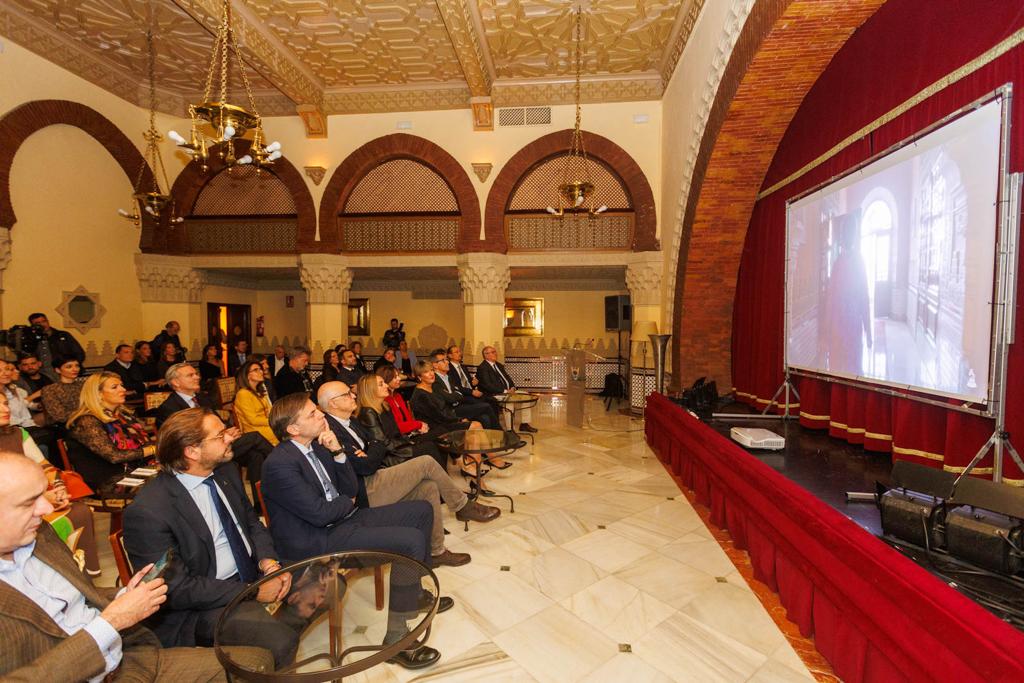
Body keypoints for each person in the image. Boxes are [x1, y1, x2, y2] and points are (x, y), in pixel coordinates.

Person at [0, 451, 273, 680]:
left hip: (125, 660)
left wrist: (123, 596)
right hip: (87, 669)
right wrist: (111, 622)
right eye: (28, 502)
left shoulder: (40, 535)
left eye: (42, 495)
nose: (46, 509)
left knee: (256, 662)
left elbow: (77, 598)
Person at [260, 393, 442, 670]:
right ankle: (396, 638)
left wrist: (337, 451)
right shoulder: (279, 464)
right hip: (317, 540)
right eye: (312, 414)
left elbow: (351, 488)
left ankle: (412, 591)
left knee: (420, 510)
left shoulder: (319, 446)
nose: (321, 415)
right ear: (292, 429)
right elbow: (320, 514)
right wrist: (347, 503)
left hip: (341, 521)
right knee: (410, 541)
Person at [122, 408, 298, 667]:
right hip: (202, 604)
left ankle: (265, 651)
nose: (230, 438)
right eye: (220, 435)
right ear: (192, 451)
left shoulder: (225, 471)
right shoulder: (149, 511)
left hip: (251, 574)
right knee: (281, 641)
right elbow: (177, 589)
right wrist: (254, 592)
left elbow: (251, 523)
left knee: (325, 582)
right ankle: (269, 650)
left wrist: (269, 563)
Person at [342, 376, 499, 562]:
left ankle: (437, 551)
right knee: (427, 456)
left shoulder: (381, 408)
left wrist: (407, 441)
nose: (386, 386)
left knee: (430, 480)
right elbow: (382, 445)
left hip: (391, 453)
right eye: (381, 384)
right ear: (370, 390)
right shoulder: (368, 413)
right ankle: (461, 505)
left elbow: (388, 439)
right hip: (387, 464)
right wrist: (409, 446)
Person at [0, 392, 100, 576]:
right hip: (8, 511)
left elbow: (44, 466)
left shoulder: (17, 433)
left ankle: (80, 576)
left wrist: (58, 488)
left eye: (6, 404)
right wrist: (37, 499)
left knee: (79, 511)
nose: (5, 409)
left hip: (34, 498)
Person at [155, 363, 270, 493]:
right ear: (176, 382)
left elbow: (218, 423)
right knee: (254, 437)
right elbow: (180, 441)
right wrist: (221, 436)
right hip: (197, 453)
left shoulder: (202, 398)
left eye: (196, 374)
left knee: (256, 456)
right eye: (190, 375)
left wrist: (226, 431)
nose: (197, 377)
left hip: (219, 443)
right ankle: (283, 464)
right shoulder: (169, 408)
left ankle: (260, 506)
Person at [409, 360, 502, 475]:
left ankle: (473, 467)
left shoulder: (432, 388)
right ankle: (479, 464)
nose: (431, 374)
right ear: (419, 377)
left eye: (432, 370)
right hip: (435, 428)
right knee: (475, 425)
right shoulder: (421, 395)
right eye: (426, 372)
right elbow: (438, 416)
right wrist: (458, 420)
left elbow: (445, 409)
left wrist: (457, 419)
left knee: (475, 427)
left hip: (443, 422)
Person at [67, 372, 155, 488]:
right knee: (164, 484)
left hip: (135, 469)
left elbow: (143, 441)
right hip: (109, 479)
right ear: (98, 394)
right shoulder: (87, 421)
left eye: (122, 385)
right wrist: (153, 449)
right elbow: (114, 456)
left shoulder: (123, 415)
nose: (123, 389)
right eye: (115, 387)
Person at [429, 349, 500, 430]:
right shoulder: (434, 379)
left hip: (459, 404)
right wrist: (455, 395)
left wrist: (455, 395)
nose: (447, 362)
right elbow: (450, 398)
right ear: (435, 365)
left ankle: (491, 438)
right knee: (486, 406)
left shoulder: (447, 376)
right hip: (451, 411)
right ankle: (500, 434)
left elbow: (457, 393)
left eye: (446, 360)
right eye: (443, 360)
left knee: (485, 417)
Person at [476, 345, 538, 433]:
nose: (495, 353)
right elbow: (488, 385)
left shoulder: (499, 365)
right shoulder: (483, 367)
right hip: (495, 394)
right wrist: (505, 391)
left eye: (495, 351)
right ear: (486, 355)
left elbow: (508, 378)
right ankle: (510, 429)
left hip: (508, 391)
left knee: (526, 395)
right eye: (493, 352)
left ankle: (524, 424)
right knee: (509, 403)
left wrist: (512, 387)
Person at [17, 312, 85, 380]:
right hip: (42, 376)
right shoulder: (30, 340)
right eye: (37, 323)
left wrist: (70, 368)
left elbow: (79, 354)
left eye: (44, 321)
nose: (42, 324)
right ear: (32, 326)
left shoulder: (62, 335)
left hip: (63, 373)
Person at [234, 360, 277, 446]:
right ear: (247, 375)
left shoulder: (259, 391)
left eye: (260, 369)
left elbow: (268, 410)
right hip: (255, 431)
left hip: (266, 426)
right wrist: (273, 421)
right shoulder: (243, 394)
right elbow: (253, 420)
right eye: (255, 370)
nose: (261, 371)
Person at [41, 356, 84, 426]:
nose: (75, 369)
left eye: (77, 366)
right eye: (69, 367)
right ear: (58, 370)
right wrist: (85, 412)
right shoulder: (50, 389)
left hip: (86, 420)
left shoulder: (83, 385)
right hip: (63, 426)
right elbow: (60, 416)